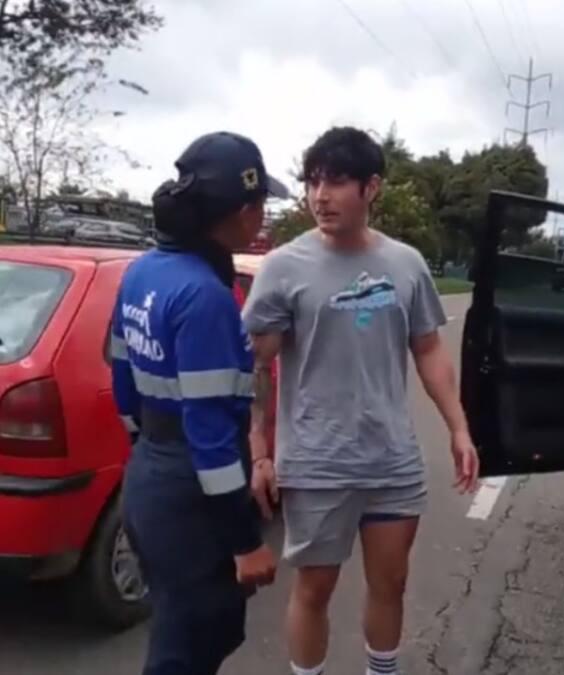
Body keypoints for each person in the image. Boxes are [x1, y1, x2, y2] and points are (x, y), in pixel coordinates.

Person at [241, 126, 481, 675]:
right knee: (314, 590)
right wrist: (259, 452)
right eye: (313, 182)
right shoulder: (283, 267)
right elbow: (254, 367)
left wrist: (458, 428)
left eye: (336, 182)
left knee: (391, 584)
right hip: (317, 462)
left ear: (371, 188)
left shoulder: (406, 264)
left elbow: (428, 350)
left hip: (392, 460)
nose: (320, 196)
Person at [109, 131, 288, 675]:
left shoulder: (143, 270)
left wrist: (149, 453)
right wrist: (245, 542)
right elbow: (211, 437)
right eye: (260, 205)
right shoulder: (205, 296)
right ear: (243, 212)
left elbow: (122, 377)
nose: (262, 216)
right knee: (188, 646)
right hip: (190, 495)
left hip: (150, 478)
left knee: (183, 630)